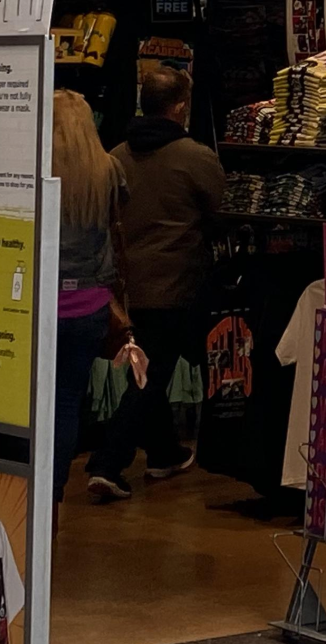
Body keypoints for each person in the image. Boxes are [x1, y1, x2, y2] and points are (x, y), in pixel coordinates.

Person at [87, 66, 225, 500]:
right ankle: (108, 464)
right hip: (177, 284)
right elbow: (220, 209)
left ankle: (164, 452)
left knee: (150, 372)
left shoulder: (116, 156)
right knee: (155, 374)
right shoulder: (196, 157)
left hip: (126, 287)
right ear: (181, 107)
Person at [48, 90, 138, 521]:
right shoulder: (108, 169)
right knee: (67, 402)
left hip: (38, 304)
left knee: (25, 400)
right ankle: (54, 492)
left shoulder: (34, 168)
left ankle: (21, 487)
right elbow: (118, 220)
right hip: (89, 306)